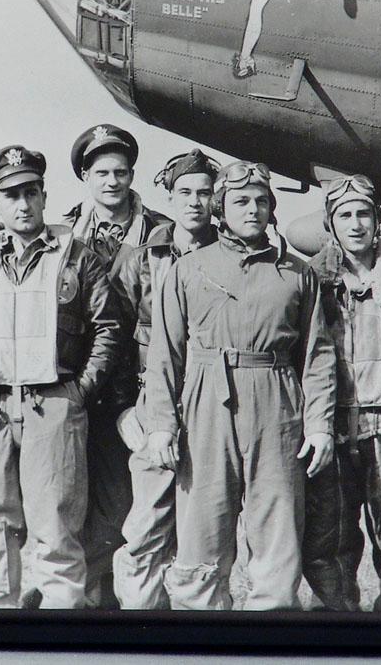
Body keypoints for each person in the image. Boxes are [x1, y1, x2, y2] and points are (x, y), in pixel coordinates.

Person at [144, 160, 336, 610]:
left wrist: (320, 425)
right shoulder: (188, 270)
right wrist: (161, 425)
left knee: (277, 528)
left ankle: (268, 638)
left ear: (272, 209)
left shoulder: (296, 273)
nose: (252, 209)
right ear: (220, 208)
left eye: (261, 201)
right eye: (240, 201)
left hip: (277, 400)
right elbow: (165, 354)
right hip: (207, 399)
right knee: (202, 528)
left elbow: (317, 355)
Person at [0, 145, 123, 608]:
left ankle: (59, 637)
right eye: (11, 196)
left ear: (44, 196)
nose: (23, 205)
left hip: (53, 402)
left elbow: (108, 327)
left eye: (30, 193)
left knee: (56, 526)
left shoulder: (76, 255)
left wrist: (81, 390)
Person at [303, 175, 381, 612]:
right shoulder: (312, 281)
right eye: (344, 215)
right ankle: (337, 639)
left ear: (379, 220)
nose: (355, 224)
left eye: (363, 214)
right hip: (333, 432)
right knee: (327, 543)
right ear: (330, 224)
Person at [63, 123, 169, 607]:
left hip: (135, 390)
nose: (112, 181)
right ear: (86, 176)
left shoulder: (161, 233)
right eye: (102, 172)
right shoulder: (63, 234)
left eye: (121, 172)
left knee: (127, 507)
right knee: (73, 504)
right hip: (77, 389)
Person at [110, 149, 220, 609]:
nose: (194, 202)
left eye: (204, 192)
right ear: (169, 197)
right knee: (146, 526)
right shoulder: (141, 258)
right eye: (184, 193)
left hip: (213, 407)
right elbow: (112, 333)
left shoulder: (228, 253)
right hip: (150, 406)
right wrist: (121, 410)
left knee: (204, 527)